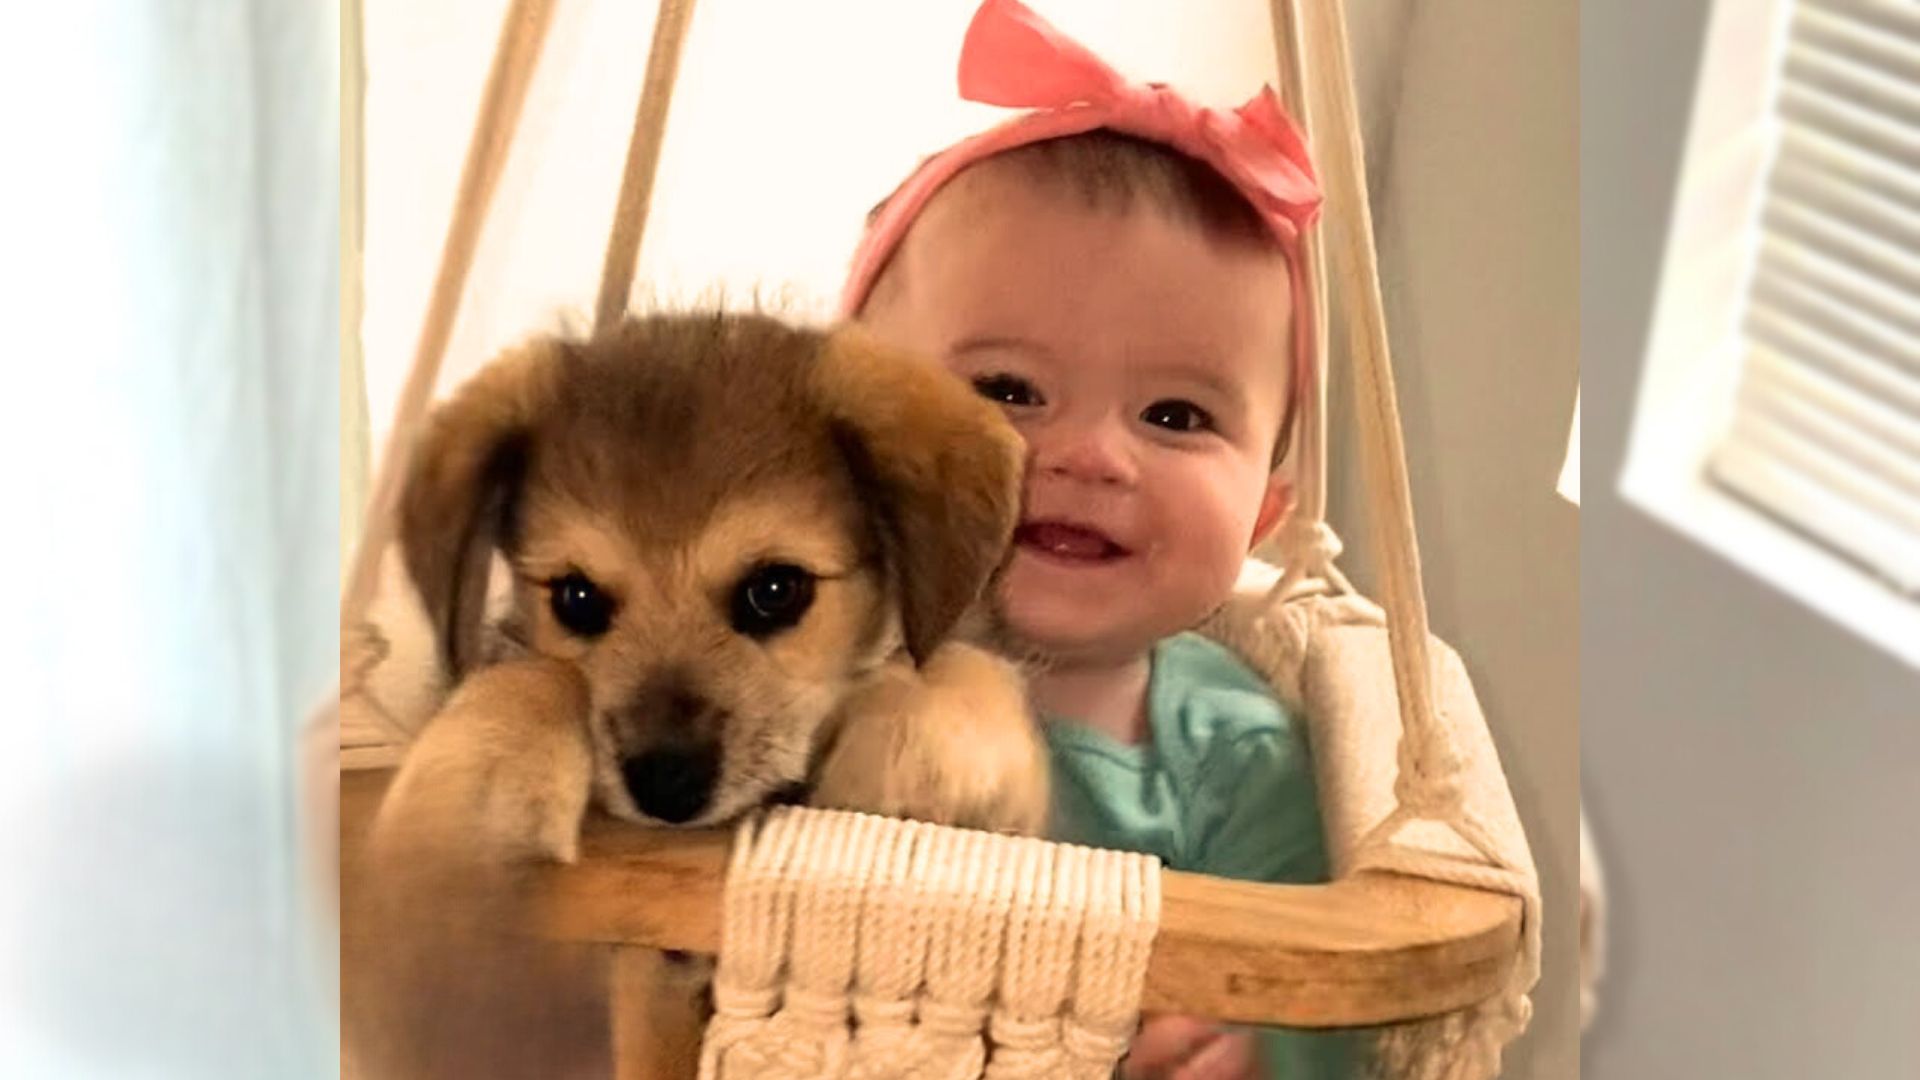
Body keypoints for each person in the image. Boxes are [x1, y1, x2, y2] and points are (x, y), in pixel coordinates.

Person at [841, 1, 1359, 1076]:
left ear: (1266, 512)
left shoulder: (1238, 761)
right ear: (847, 429)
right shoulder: (802, 666)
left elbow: (1320, 1005)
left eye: (1175, 416)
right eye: (1009, 389)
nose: (1088, 457)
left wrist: (1242, 1051)